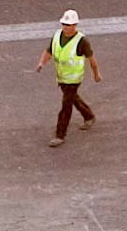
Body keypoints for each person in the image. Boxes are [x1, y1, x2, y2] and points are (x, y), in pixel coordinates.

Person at [35, 9, 102, 148]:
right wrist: (42, 63)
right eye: (64, 24)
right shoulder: (57, 35)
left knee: (66, 105)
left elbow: (92, 59)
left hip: (73, 79)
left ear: (75, 25)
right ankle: (89, 116)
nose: (65, 27)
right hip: (62, 77)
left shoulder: (82, 41)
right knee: (72, 98)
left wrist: (96, 74)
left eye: (68, 24)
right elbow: (49, 51)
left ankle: (60, 134)